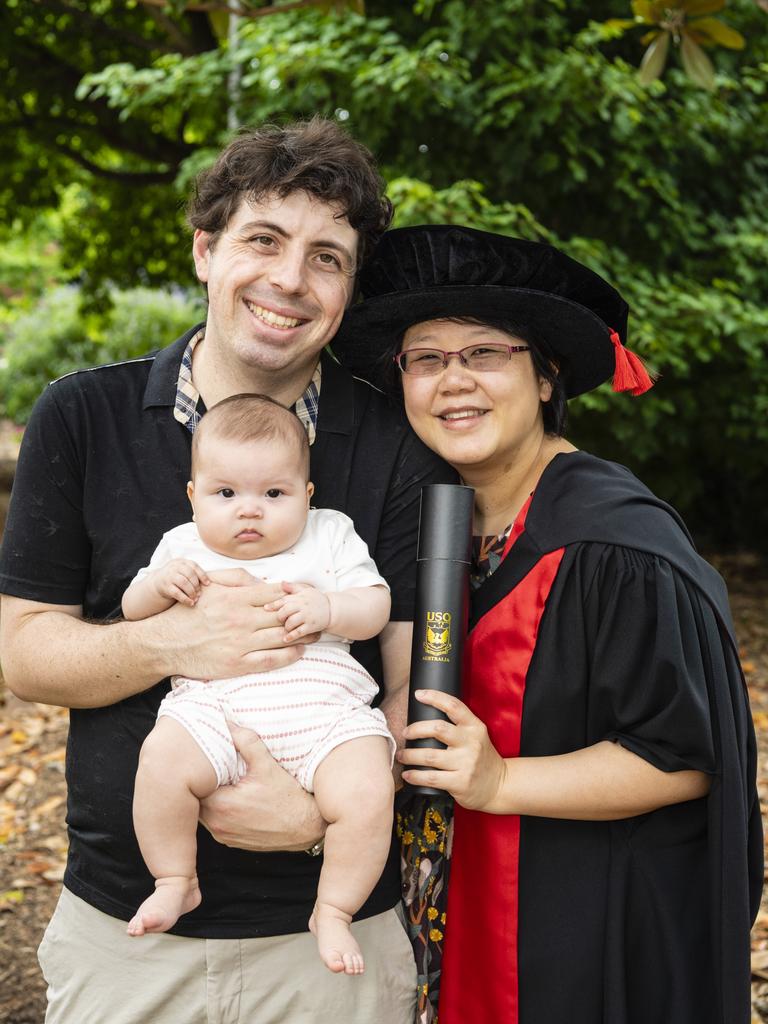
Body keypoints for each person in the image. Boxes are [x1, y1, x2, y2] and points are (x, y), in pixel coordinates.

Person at [0, 120, 455, 1024]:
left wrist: (324, 814)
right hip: (130, 939)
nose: (290, 278)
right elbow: (23, 654)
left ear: (349, 289)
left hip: (334, 950)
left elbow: (418, 681)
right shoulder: (80, 417)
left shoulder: (400, 447)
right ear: (205, 249)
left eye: (328, 256)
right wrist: (177, 640)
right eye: (263, 239)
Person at [331, 224, 762, 1024]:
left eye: (485, 353)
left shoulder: (615, 544)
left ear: (545, 375)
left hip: (584, 939)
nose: (451, 382)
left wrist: (499, 782)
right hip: (451, 932)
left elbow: (685, 758)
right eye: (426, 359)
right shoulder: (434, 531)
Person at [124, 392, 395, 977]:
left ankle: (333, 908)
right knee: (162, 761)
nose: (250, 511)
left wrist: (328, 609)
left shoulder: (329, 534)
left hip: (322, 704)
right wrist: (161, 585)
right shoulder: (182, 547)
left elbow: (375, 607)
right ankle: (175, 878)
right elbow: (131, 609)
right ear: (193, 498)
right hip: (216, 705)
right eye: (226, 494)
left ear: (307, 494)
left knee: (369, 790)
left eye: (274, 494)